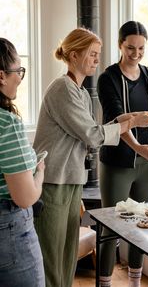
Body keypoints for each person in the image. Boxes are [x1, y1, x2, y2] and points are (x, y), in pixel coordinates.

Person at [33, 27, 148, 287]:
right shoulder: (63, 90)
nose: (96, 60)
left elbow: (90, 133)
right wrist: (132, 121)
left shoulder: (79, 92)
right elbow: (92, 136)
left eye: (98, 54)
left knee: (67, 253)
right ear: (74, 55)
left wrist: (123, 121)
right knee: (52, 256)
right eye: (92, 54)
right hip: (53, 181)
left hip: (70, 178)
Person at [97, 21, 148, 287]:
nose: (135, 53)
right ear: (119, 45)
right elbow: (117, 119)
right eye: (130, 48)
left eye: (141, 48)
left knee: (142, 225)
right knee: (110, 228)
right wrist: (138, 148)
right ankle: (104, 283)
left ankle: (135, 283)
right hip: (117, 162)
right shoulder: (108, 78)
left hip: (147, 162)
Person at [0, 38, 45, 287]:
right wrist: (39, 173)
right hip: (8, 231)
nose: (19, 77)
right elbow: (25, 197)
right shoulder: (8, 124)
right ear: (1, 76)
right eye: (18, 71)